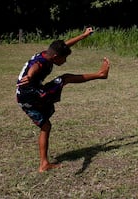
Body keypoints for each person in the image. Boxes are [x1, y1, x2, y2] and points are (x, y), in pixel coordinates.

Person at [15, 27, 110, 172]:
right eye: (64, 58)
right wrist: (29, 75)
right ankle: (101, 74)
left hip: (23, 97)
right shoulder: (42, 62)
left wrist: (83, 36)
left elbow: (65, 45)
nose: (65, 61)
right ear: (55, 57)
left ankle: (44, 164)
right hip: (33, 95)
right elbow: (35, 67)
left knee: (46, 126)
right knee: (65, 78)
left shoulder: (48, 53)